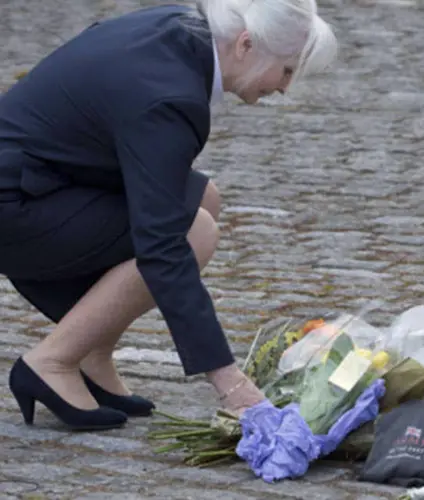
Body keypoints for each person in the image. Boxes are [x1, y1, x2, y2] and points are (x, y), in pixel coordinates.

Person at [0, 0, 337, 431]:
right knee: (194, 232)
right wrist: (228, 380)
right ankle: (52, 360)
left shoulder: (176, 28)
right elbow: (160, 243)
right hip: (17, 206)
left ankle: (91, 351)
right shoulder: (169, 96)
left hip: (42, 180)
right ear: (246, 44)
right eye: (286, 70)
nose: (285, 87)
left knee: (203, 198)